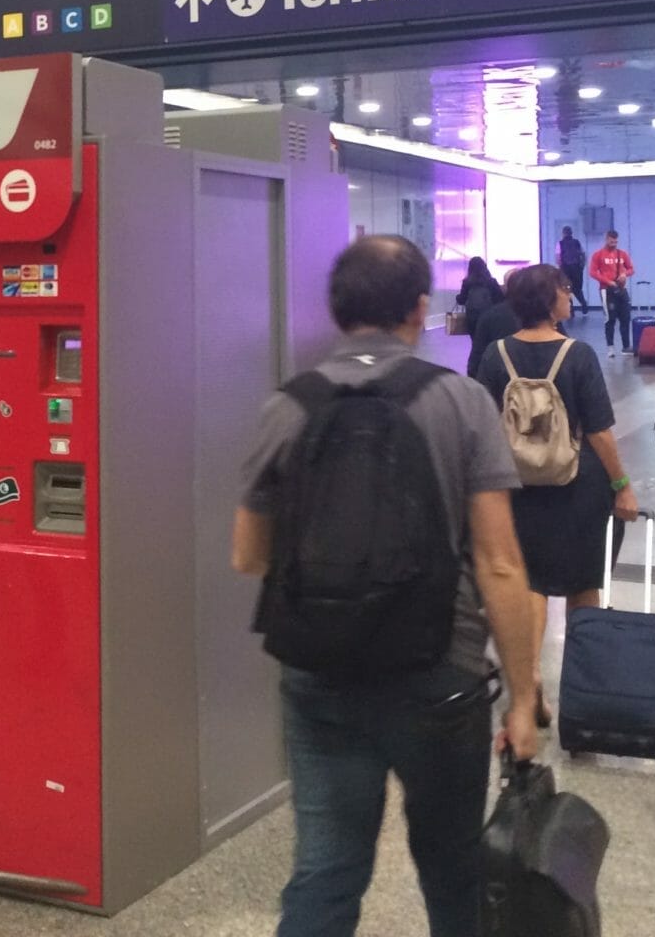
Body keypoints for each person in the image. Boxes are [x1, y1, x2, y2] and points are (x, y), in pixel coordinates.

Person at [234, 234, 539, 937]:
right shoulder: (461, 402)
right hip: (442, 676)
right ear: (419, 309)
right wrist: (523, 700)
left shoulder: (286, 407)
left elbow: (248, 557)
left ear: (338, 312)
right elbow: (500, 564)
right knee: (452, 869)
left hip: (321, 678)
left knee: (327, 868)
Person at [476, 264, 636, 728]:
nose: (570, 296)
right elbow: (601, 433)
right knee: (584, 583)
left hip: (518, 486)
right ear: (550, 302)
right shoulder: (578, 355)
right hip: (578, 484)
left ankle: (528, 685)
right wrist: (621, 486)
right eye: (564, 290)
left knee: (531, 585)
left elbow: (487, 427)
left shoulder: (495, 355)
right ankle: (581, 691)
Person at [588, 230, 635, 357]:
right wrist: (608, 281)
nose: (614, 244)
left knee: (625, 317)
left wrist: (625, 274)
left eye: (616, 241)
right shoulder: (598, 255)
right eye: (611, 241)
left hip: (621, 289)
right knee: (610, 319)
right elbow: (592, 272)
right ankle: (611, 348)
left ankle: (626, 347)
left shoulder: (622, 254)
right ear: (606, 239)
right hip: (606, 291)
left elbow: (631, 268)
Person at [455, 257, 503, 334]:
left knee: (475, 340)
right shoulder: (491, 282)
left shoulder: (467, 282)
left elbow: (462, 300)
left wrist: (457, 297)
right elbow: (500, 299)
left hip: (472, 317)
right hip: (490, 316)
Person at [557, 226, 590, 313]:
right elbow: (583, 254)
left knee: (566, 289)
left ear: (563, 233)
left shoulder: (560, 244)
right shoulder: (577, 243)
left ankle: (570, 310)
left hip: (565, 269)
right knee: (577, 289)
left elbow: (558, 257)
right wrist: (582, 266)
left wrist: (561, 268)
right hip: (577, 269)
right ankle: (584, 305)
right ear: (571, 233)